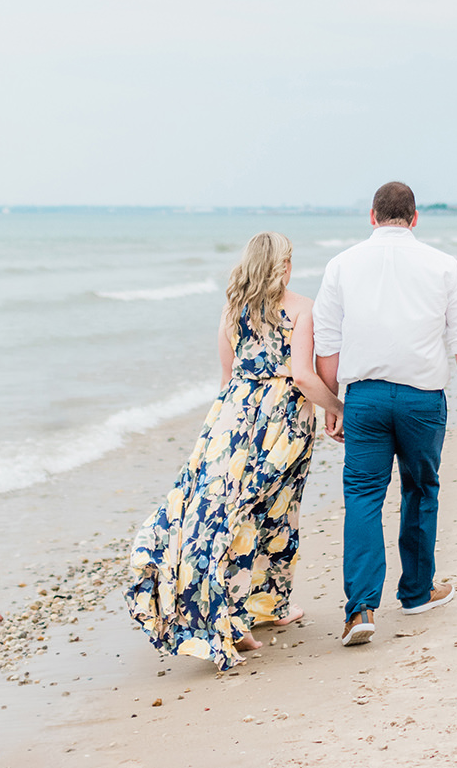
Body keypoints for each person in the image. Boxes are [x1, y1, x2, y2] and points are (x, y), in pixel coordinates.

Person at [124, 232, 342, 670]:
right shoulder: (301, 308)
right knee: (276, 511)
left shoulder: (232, 310)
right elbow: (302, 375)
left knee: (221, 508)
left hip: (230, 420)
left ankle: (244, 610)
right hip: (283, 420)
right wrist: (339, 408)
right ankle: (254, 611)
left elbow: (226, 379)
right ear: (284, 265)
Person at [315, 182, 457, 648]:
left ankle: (360, 610)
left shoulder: (341, 265)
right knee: (420, 487)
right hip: (421, 400)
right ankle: (415, 591)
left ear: (372, 216)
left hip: (365, 400)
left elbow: (326, 344)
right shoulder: (443, 265)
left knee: (364, 497)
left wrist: (333, 403)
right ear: (414, 218)